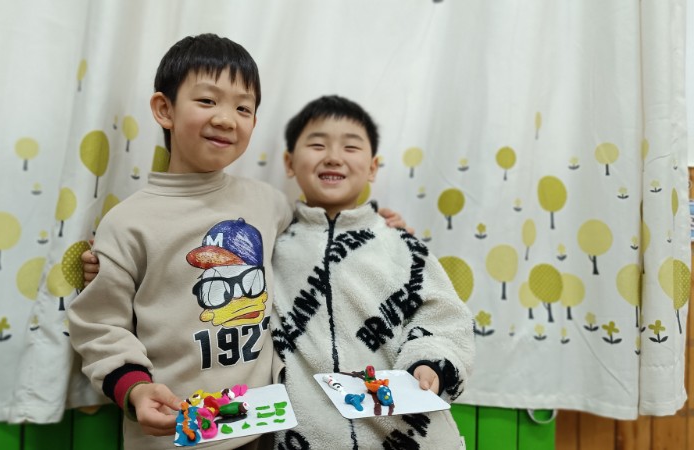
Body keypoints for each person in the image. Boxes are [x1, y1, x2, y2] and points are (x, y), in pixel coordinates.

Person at [69, 35, 408, 450]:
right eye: (207, 101)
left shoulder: (269, 203)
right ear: (164, 109)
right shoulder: (128, 223)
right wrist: (135, 389)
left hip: (262, 428)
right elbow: (100, 326)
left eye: (243, 108)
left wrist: (376, 228)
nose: (227, 119)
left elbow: (318, 238)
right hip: (174, 430)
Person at [270, 95, 474, 449]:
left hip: (408, 433)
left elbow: (444, 318)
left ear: (373, 168)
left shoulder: (402, 246)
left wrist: (430, 363)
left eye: (350, 146)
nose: (333, 157)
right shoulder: (269, 245)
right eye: (317, 145)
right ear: (289, 162)